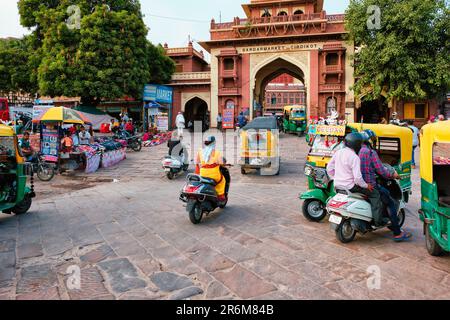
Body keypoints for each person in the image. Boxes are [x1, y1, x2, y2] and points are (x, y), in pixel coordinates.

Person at [360, 130, 412, 241]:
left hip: (357, 185)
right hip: (371, 185)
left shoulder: (356, 151)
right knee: (390, 201)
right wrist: (393, 175)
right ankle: (397, 233)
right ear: (370, 140)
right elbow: (381, 170)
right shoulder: (370, 152)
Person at [327, 133, 383, 225]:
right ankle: (377, 221)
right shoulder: (354, 157)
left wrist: (335, 178)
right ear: (356, 145)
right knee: (375, 194)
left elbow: (329, 168)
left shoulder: (338, 152)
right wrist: (367, 185)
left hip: (337, 186)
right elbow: (358, 179)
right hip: (350, 187)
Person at [195, 136, 227, 202]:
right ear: (213, 143)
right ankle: (220, 196)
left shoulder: (200, 151)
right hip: (213, 174)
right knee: (222, 180)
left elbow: (197, 162)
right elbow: (221, 163)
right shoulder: (217, 152)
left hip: (203, 173)